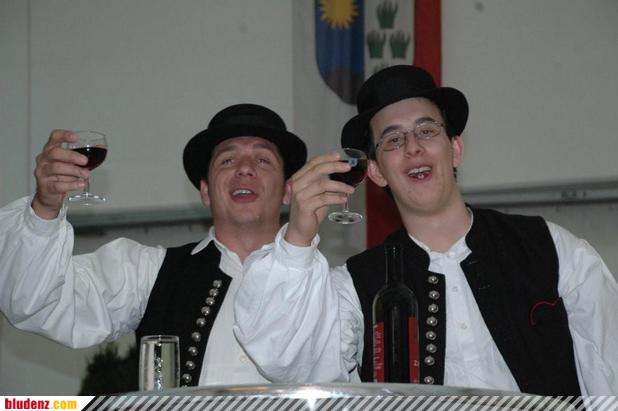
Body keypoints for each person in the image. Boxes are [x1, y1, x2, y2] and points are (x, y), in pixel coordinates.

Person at [235, 65, 618, 395]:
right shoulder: (356, 286)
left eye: (427, 131)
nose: (413, 147)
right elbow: (290, 362)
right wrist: (298, 240)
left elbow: (610, 375)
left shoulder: (549, 247)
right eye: (393, 140)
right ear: (376, 172)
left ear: (456, 149)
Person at [0, 103, 360, 387]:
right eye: (227, 159)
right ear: (205, 191)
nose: (245, 168)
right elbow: (34, 304)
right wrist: (44, 209)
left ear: (287, 191)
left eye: (263, 159)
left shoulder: (332, 289)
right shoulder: (146, 272)